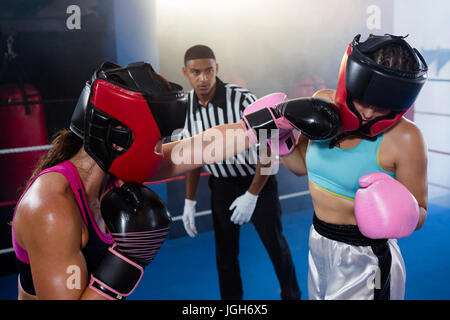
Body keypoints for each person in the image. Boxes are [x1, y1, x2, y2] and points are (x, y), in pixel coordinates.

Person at [11, 60, 340, 300]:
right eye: (156, 141)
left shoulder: (110, 167)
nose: (162, 150)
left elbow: (200, 147)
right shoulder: (52, 208)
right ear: (119, 138)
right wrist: (127, 261)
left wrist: (272, 120)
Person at [271, 34, 429, 300]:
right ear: (349, 82)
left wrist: (403, 213)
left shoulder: (406, 138)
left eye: (381, 107)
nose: (368, 113)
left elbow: (420, 212)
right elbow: (300, 166)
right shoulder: (323, 104)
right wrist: (274, 137)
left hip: (369, 257)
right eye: (363, 101)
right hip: (319, 240)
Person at [179, 45, 300, 300]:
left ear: (217, 69)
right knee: (225, 253)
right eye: (196, 72)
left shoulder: (244, 99)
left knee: (275, 244)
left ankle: (292, 295)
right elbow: (192, 155)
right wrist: (189, 200)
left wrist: (252, 194)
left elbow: (270, 147)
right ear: (185, 73)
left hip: (257, 179)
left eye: (208, 71)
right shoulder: (184, 107)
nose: (203, 78)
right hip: (221, 184)